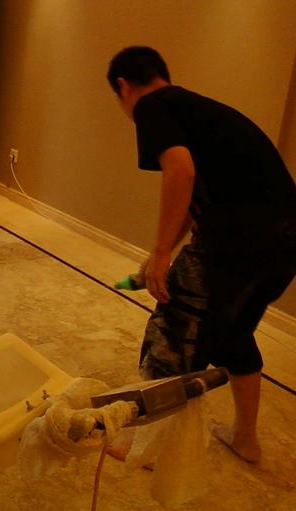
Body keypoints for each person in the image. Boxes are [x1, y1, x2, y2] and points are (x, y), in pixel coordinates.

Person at [106, 46, 296, 463]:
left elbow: (181, 171)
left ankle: (148, 446)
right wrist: (163, 251)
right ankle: (245, 438)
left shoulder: (153, 105)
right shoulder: (199, 110)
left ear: (123, 86)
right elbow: (200, 194)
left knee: (173, 331)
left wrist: (161, 253)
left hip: (235, 242)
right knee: (232, 334)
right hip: (284, 244)